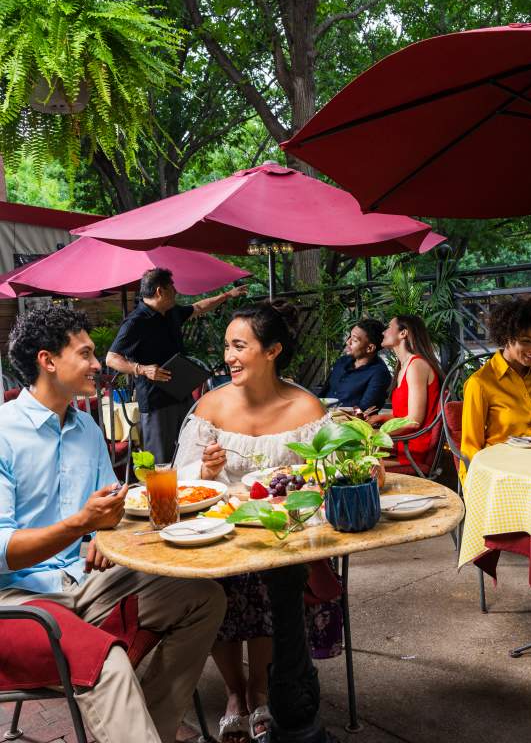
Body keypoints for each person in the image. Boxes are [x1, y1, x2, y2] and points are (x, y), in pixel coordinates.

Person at [0, 306, 227, 743]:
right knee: (107, 661)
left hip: (87, 583)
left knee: (203, 597)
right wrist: (78, 526)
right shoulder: (4, 432)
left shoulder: (86, 427)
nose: (96, 363)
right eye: (85, 353)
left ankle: (148, 733)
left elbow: (111, 511)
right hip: (19, 600)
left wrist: (104, 530)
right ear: (47, 361)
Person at [175, 299, 330, 743]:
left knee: (271, 581)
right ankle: (233, 694)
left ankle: (261, 690)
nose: (228, 357)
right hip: (218, 535)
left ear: (272, 351)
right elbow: (180, 480)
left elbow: (327, 476)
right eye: (226, 347)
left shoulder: (306, 408)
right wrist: (204, 472)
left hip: (284, 537)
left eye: (239, 346)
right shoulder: (209, 408)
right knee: (217, 585)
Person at [107, 267, 247, 463]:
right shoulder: (135, 322)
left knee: (193, 448)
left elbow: (198, 307)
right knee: (161, 460)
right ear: (159, 291)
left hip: (181, 392)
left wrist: (227, 295)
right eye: (172, 287)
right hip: (156, 400)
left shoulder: (170, 312)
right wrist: (141, 369)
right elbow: (111, 358)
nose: (176, 291)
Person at [460, 296, 531, 477]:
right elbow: (470, 446)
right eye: (526, 341)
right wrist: (477, 486)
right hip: (503, 472)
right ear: (506, 337)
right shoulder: (480, 383)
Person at [367, 314, 444, 471]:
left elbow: (413, 421)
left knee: (354, 464)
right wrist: (381, 417)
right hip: (404, 444)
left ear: (403, 333)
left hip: (413, 450)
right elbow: (403, 415)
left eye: (388, 327)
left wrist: (375, 434)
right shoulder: (404, 367)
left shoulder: (416, 366)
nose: (383, 332)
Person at [323, 318, 391, 412]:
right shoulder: (342, 361)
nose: (348, 342)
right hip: (319, 418)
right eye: (349, 337)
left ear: (370, 348)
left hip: (348, 423)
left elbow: (363, 410)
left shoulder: (379, 374)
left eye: (354, 340)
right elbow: (324, 392)